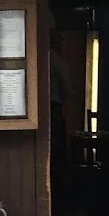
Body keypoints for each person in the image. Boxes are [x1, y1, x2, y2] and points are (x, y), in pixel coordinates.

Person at [50, 30, 73, 169]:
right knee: (57, 142)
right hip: (54, 105)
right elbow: (67, 86)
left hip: (45, 106)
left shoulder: (43, 57)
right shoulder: (56, 60)